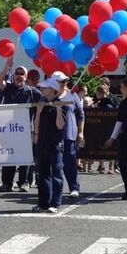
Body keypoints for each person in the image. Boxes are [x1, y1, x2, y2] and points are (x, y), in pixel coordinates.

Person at [0, 57, 41, 192]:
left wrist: (36, 129)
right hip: (9, 130)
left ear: (26, 77)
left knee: (25, 158)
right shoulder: (9, 88)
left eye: (22, 74)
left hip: (27, 131)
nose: (19, 76)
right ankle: (7, 183)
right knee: (9, 157)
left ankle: (24, 182)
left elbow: (42, 105)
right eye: (17, 73)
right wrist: (7, 68)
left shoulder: (32, 91)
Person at [32, 78, 65, 213]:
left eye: (45, 88)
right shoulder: (43, 102)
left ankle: (55, 203)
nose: (42, 90)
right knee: (42, 173)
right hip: (42, 142)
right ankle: (43, 203)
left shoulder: (62, 104)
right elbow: (36, 122)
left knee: (57, 174)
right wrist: (39, 112)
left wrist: (58, 110)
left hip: (55, 144)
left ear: (52, 90)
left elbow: (60, 125)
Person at [51, 71, 85, 199]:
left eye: (65, 81)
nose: (64, 83)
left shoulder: (73, 95)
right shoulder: (50, 96)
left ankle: (74, 188)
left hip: (69, 134)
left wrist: (81, 132)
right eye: (61, 81)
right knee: (54, 164)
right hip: (53, 134)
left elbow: (80, 115)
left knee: (70, 162)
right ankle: (54, 189)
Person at [94, 85, 117, 174]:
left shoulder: (105, 102)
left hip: (105, 126)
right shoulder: (108, 101)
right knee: (109, 146)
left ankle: (104, 166)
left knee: (104, 145)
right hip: (109, 126)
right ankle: (108, 167)